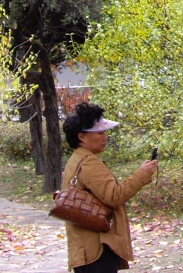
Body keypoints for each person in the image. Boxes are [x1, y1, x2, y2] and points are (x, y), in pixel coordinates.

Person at [61, 102, 157, 273]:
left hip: (86, 247)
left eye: (105, 132)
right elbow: (114, 196)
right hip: (97, 249)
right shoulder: (89, 162)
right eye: (99, 132)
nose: (105, 137)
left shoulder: (77, 159)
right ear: (82, 137)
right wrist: (143, 174)